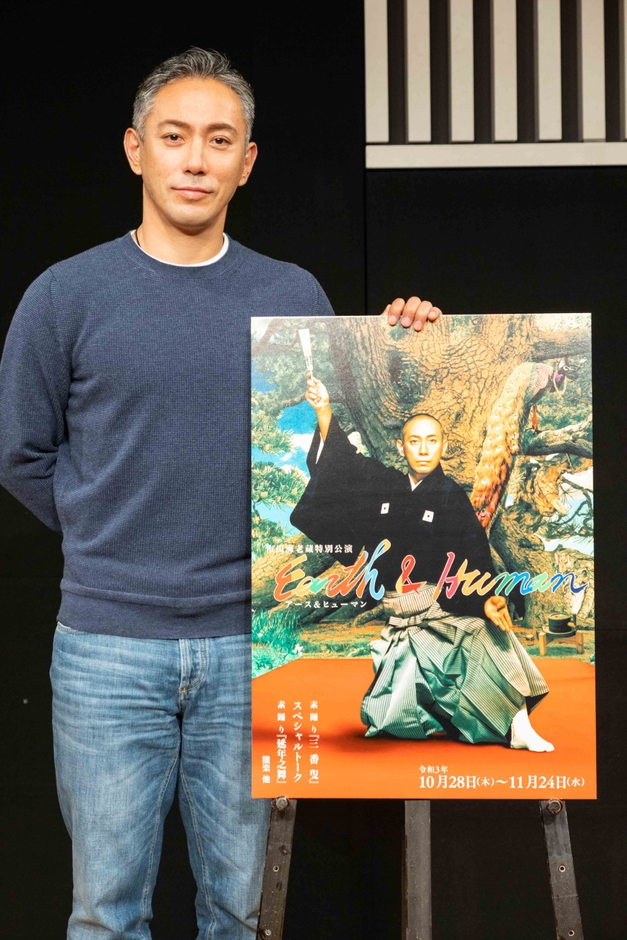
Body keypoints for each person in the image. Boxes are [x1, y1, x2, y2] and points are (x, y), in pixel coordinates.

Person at [0, 48, 442, 940]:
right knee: (104, 914)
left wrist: (410, 350)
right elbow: (24, 454)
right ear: (136, 150)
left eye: (218, 140)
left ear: (247, 161)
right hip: (105, 647)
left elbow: (347, 452)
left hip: (256, 647)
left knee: (243, 913)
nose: (195, 159)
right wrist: (106, 534)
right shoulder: (65, 295)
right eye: (174, 137)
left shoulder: (290, 295)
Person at [291, 376, 553, 753]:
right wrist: (324, 410)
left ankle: (518, 724)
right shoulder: (384, 484)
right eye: (415, 441)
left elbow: (475, 554)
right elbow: (344, 462)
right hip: (398, 611)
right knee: (392, 721)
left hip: (436, 605)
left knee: (485, 635)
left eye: (432, 441)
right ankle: (444, 710)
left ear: (443, 446)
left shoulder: (450, 497)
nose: (424, 450)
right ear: (402, 447)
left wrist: (487, 598)